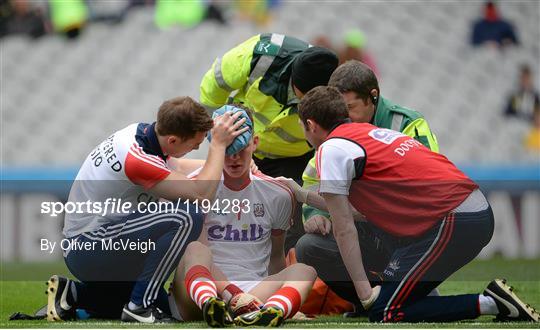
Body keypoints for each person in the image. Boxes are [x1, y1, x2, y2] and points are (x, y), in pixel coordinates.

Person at [283, 86, 539, 323]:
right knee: (389, 302)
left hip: (452, 218)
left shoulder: (331, 149)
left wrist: (364, 295)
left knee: (385, 311)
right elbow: (361, 212)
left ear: (311, 125)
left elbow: (344, 227)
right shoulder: (367, 133)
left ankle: (490, 303)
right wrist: (303, 195)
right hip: (467, 211)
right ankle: (413, 295)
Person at [46, 96, 248, 323]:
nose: (196, 149)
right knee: (186, 216)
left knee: (171, 308)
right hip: (88, 247)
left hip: (92, 245)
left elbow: (178, 166)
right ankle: (139, 308)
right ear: (173, 140)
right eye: (194, 145)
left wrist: (232, 166)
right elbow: (201, 194)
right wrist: (218, 146)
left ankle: (73, 294)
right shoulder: (138, 160)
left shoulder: (142, 133)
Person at [296, 60, 439, 313]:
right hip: (364, 227)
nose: (344, 114)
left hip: (406, 228)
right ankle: (372, 302)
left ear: (373, 97)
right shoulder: (334, 136)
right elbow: (313, 178)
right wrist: (316, 213)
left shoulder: (407, 124)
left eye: (349, 106)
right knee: (310, 247)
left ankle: (403, 293)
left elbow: (426, 183)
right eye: (340, 107)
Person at [167, 105, 316, 327]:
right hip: (200, 290)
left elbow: (276, 256)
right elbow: (191, 255)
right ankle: (213, 307)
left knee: (304, 271)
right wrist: (232, 295)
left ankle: (272, 311)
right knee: (195, 250)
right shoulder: (196, 188)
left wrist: (273, 293)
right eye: (228, 149)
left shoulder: (278, 194)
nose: (234, 158)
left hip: (252, 295)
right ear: (215, 144)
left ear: (255, 142)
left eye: (242, 148)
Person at [200, 33, 339, 251]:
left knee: (289, 224)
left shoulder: (333, 96)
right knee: (223, 211)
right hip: (241, 145)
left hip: (293, 159)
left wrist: (314, 210)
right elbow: (214, 85)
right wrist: (217, 134)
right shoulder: (261, 54)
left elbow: (327, 149)